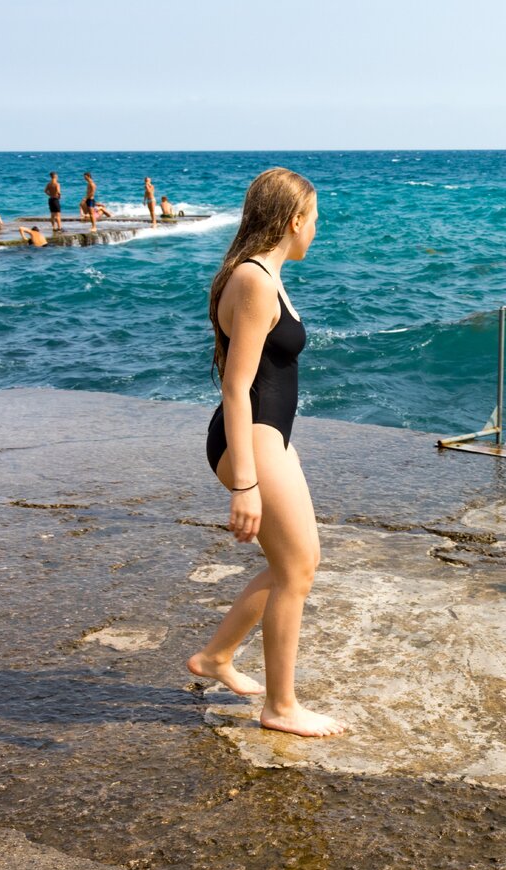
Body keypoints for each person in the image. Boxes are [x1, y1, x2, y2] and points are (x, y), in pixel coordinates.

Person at [189, 168, 345, 738]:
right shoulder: (254, 280)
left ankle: (214, 658)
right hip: (248, 438)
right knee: (298, 568)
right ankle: (281, 707)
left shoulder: (266, 275)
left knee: (291, 563)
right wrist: (245, 485)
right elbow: (235, 386)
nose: (316, 232)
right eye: (314, 221)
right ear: (292, 221)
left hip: (269, 436)